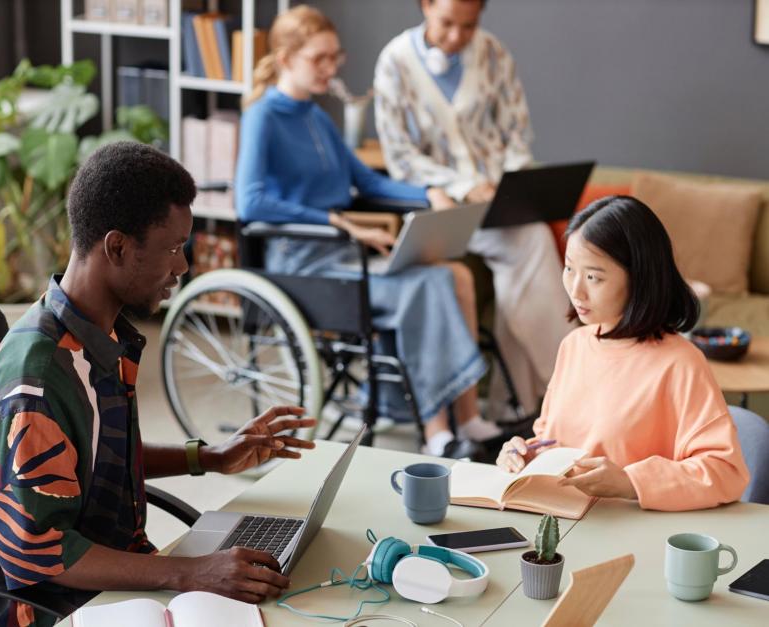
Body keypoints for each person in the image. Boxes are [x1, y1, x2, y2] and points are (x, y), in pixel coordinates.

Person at [0, 142, 317, 627]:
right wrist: (187, 573)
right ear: (117, 247)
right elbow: (34, 552)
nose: (182, 266)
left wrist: (210, 456)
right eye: (173, 248)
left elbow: (92, 459)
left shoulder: (99, 335)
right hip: (55, 609)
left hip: (120, 584)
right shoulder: (37, 383)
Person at [235, 4, 505, 459]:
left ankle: (469, 417)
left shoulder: (317, 117)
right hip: (304, 262)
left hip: (341, 254)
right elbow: (250, 201)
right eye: (319, 59)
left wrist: (429, 192)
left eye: (334, 57)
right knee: (430, 281)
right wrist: (334, 221)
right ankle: (437, 430)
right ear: (285, 59)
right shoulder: (264, 117)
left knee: (455, 274)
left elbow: (369, 181)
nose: (331, 68)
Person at [373, 0, 574, 418]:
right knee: (532, 246)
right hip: (444, 204)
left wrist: (513, 186)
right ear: (425, 5)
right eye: (447, 23)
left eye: (468, 26)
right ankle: (569, 388)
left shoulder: (493, 52)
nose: (456, 37)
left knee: (526, 251)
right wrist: (465, 186)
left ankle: (514, 405)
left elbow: (517, 135)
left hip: (499, 200)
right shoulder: (395, 61)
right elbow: (401, 158)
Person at [495, 196, 749, 510]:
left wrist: (632, 483)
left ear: (639, 279)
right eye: (569, 269)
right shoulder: (574, 345)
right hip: (564, 517)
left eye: (593, 277)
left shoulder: (681, 363)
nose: (575, 290)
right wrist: (527, 452)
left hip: (633, 531)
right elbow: (555, 442)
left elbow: (726, 472)